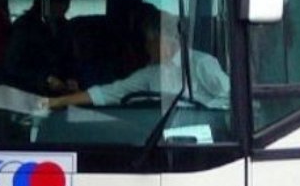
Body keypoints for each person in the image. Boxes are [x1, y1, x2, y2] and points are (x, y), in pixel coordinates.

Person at [46, 8, 229, 110]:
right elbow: (110, 92)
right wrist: (57, 102)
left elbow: (231, 99)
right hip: (155, 140)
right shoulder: (151, 73)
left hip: (198, 143)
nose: (145, 48)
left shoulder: (202, 63)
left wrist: (200, 111)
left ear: (163, 38)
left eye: (148, 42)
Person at [5, 0, 78, 95]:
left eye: (67, 2)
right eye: (58, 2)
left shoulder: (64, 27)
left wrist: (72, 78)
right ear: (44, 2)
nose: (64, 7)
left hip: (61, 94)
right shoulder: (24, 26)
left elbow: (70, 59)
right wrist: (46, 79)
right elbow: (13, 66)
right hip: (30, 93)